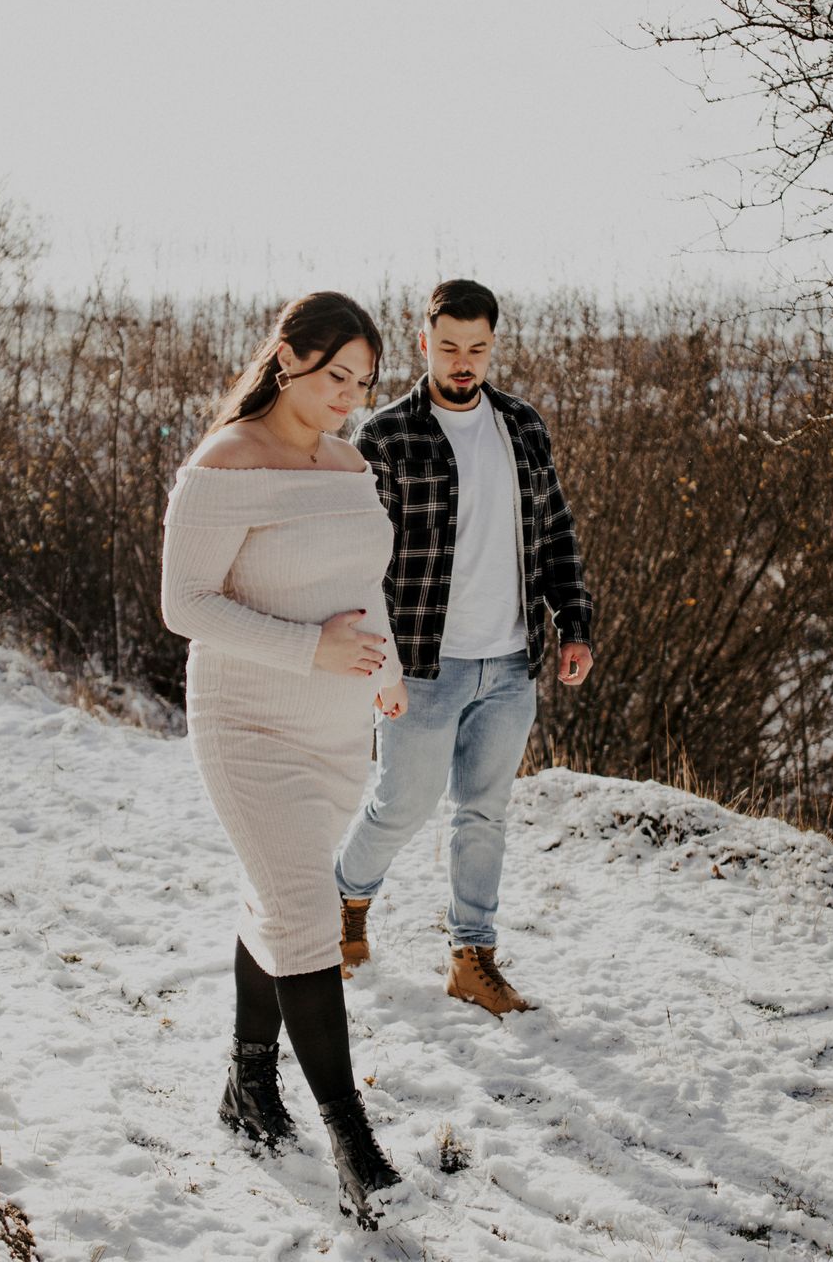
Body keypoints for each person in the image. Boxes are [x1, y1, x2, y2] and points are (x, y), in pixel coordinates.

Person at [160, 291, 416, 1228]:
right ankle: (355, 1146)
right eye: (335, 375)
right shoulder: (225, 462)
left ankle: (249, 1082)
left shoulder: (348, 464)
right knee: (307, 911)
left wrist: (384, 667)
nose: (349, 397)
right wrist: (311, 649)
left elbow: (362, 582)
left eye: (364, 382)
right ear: (287, 359)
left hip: (338, 727)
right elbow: (185, 605)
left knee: (279, 893)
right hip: (249, 724)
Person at [333, 279, 596, 1016]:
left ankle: (471, 958)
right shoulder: (385, 437)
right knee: (401, 806)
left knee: (484, 814)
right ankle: (344, 899)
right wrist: (379, 665)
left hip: (510, 663)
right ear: (424, 343)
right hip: (423, 665)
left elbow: (555, 530)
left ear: (492, 347)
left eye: (477, 348)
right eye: (448, 346)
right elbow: (358, 564)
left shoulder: (522, 425)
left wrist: (573, 623)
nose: (462, 362)